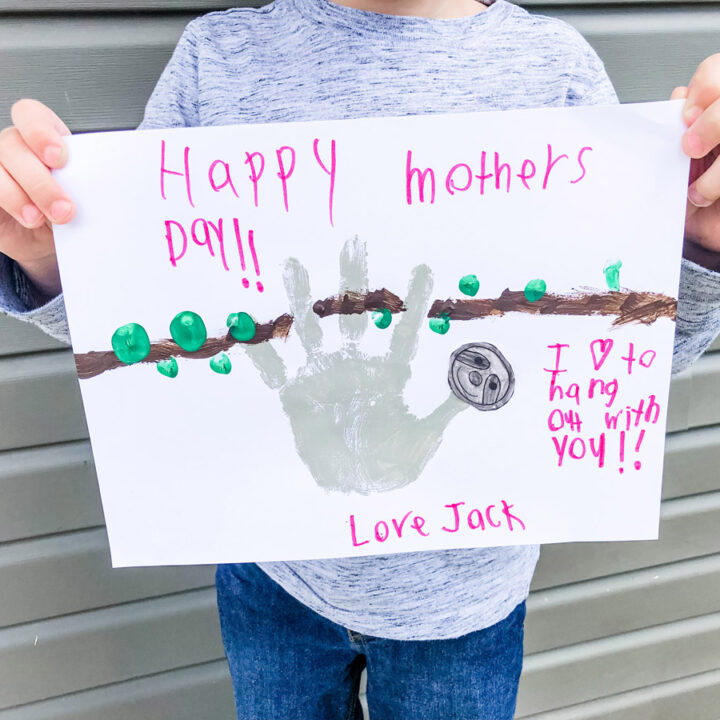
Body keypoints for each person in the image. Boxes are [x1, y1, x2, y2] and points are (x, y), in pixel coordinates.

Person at [1, 1, 720, 718]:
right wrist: (47, 255)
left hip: (464, 603)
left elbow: (624, 367)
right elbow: (152, 326)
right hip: (272, 577)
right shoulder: (215, 59)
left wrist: (696, 249)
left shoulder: (554, 67)